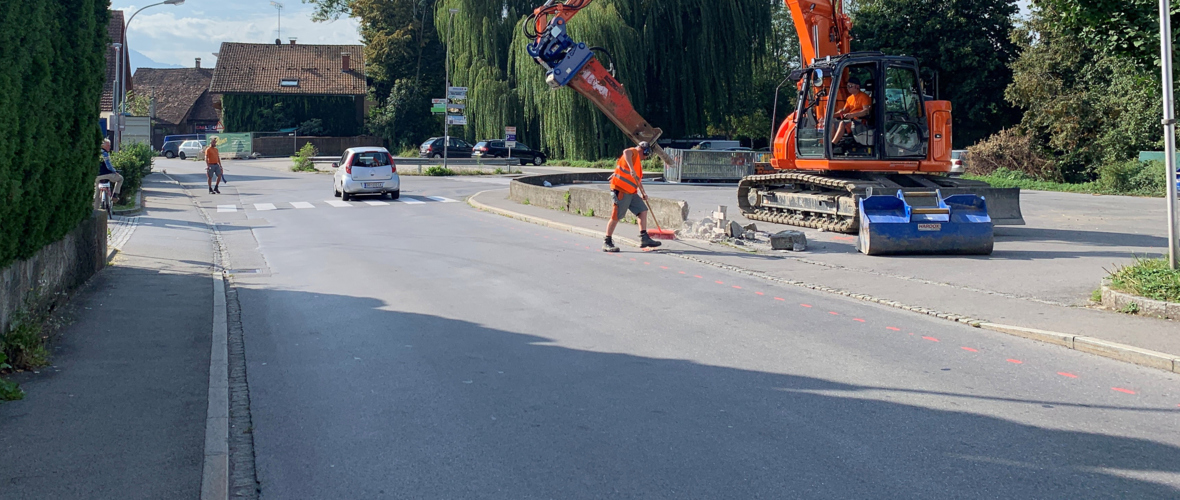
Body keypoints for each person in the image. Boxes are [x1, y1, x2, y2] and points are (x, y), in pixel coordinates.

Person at [603, 141, 662, 252]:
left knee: (642, 210)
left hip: (631, 192)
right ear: (644, 151)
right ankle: (607, 241)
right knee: (616, 217)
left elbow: (638, 181)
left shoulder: (638, 164)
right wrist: (631, 168)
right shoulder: (633, 153)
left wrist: (643, 193)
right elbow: (626, 152)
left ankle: (644, 238)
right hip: (620, 190)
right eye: (646, 154)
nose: (646, 157)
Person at [831, 78, 872, 146]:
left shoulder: (864, 97)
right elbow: (844, 111)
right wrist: (830, 116)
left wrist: (852, 115)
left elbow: (866, 111)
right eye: (847, 86)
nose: (848, 88)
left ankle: (833, 144)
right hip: (851, 120)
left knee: (842, 123)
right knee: (832, 122)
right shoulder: (849, 98)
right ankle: (829, 143)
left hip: (860, 121)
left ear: (857, 87)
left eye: (850, 86)